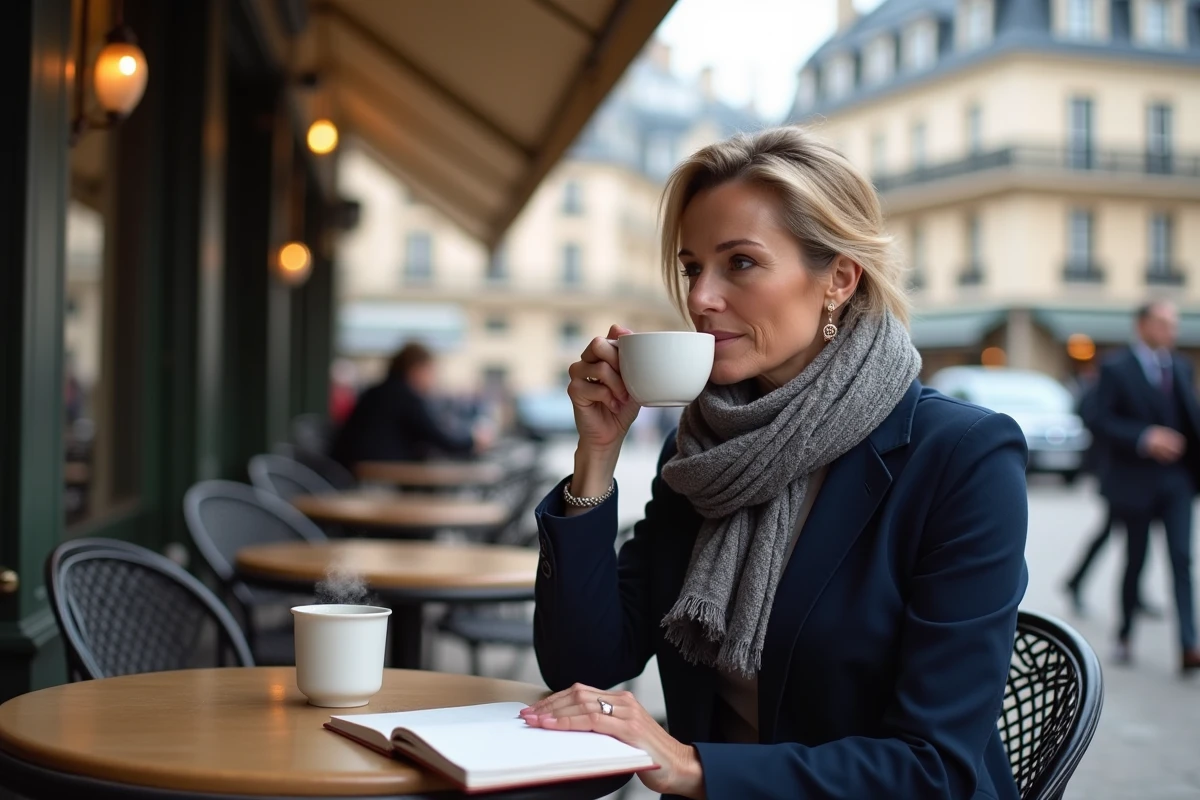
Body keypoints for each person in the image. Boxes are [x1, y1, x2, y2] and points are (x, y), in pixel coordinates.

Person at [523, 127, 1029, 799]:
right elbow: (583, 661)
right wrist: (597, 454)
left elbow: (933, 768)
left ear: (838, 280)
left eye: (739, 263)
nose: (701, 297)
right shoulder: (704, 449)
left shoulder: (962, 458)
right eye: (691, 266)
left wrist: (695, 768)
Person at [1092, 300, 1200, 672]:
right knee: (1135, 561)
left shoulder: (1182, 368)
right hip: (1134, 482)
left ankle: (1188, 643)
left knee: (1182, 560)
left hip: (1177, 482)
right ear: (1142, 326)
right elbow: (1098, 418)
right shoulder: (1115, 367)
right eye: (1164, 323)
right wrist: (1144, 436)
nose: (1172, 331)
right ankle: (1124, 634)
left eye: (1174, 324)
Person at [328, 342, 492, 469]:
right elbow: (437, 437)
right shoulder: (403, 395)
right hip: (370, 479)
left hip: (351, 471)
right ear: (416, 369)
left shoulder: (380, 390)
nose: (433, 378)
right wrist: (473, 441)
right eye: (430, 371)